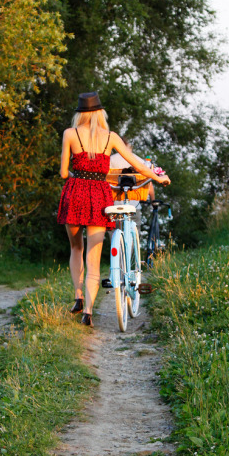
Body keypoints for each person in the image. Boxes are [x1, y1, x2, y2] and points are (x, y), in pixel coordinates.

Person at [57, 92, 171, 328]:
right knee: (94, 257)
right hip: (100, 194)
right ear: (101, 113)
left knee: (76, 247)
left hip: (76, 192)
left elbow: (62, 172)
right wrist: (158, 179)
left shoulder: (70, 134)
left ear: (79, 114)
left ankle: (78, 296)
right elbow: (138, 164)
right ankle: (88, 312)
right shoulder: (111, 138)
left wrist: (78, 178)